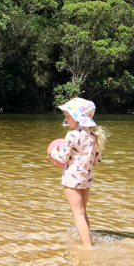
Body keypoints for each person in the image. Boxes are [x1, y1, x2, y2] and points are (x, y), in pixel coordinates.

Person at [47, 97, 108, 249]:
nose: (66, 119)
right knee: (82, 211)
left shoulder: (72, 135)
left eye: (68, 116)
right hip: (86, 178)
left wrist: (52, 152)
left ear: (78, 119)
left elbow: (62, 158)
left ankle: (87, 247)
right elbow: (96, 161)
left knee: (77, 213)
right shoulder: (95, 137)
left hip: (72, 179)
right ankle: (87, 239)